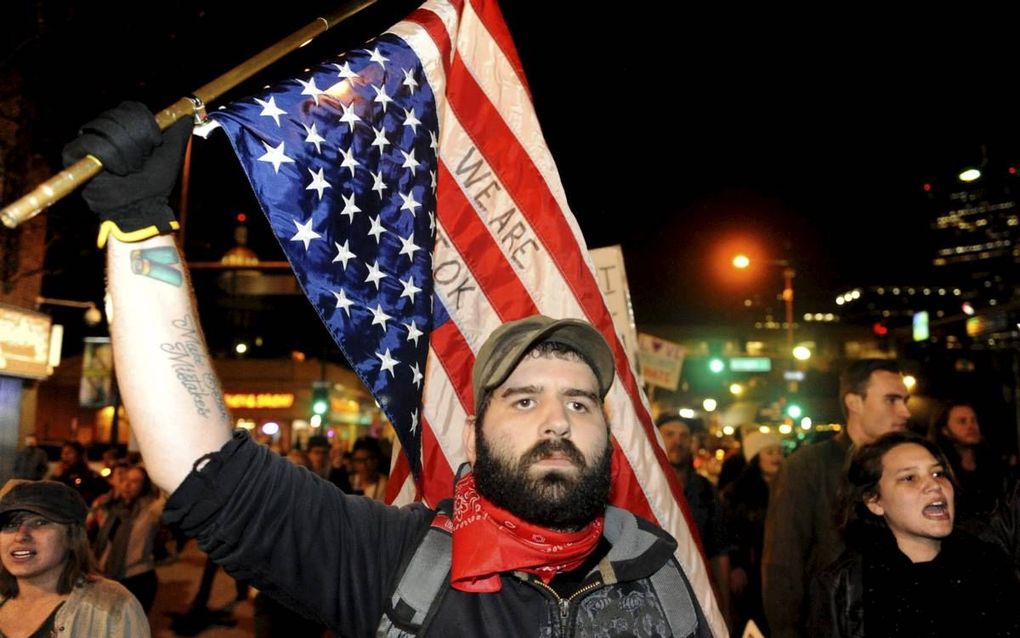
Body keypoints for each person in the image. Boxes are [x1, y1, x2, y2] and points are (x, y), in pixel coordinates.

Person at [63, 102, 712, 636]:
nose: (556, 421)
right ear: (471, 435)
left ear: (607, 431)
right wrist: (138, 230)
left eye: (579, 402)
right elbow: (203, 469)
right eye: (522, 400)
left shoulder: (659, 572)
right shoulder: (391, 561)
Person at [808, 431, 1020, 637]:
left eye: (938, 473)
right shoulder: (844, 586)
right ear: (875, 501)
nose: (934, 485)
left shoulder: (986, 561)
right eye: (909, 478)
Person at [762, 358, 910, 638]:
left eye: (905, 400)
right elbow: (783, 565)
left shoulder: (911, 464)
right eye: (892, 400)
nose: (905, 411)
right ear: (854, 402)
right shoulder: (806, 467)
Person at [0, 480, 149, 636]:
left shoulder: (112, 607)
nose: (21, 535)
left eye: (40, 522)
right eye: (10, 525)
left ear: (72, 536)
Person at [656, 414, 732, 624]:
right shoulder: (642, 490)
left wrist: (724, 606)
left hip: (698, 594)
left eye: (683, 436)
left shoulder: (706, 490)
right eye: (669, 434)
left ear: (691, 442)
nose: (677, 441)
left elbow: (719, 551)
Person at [721, 429, 782, 636]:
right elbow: (730, 529)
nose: (776, 457)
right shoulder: (738, 491)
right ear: (757, 457)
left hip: (780, 565)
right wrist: (737, 565)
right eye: (769, 452)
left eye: (778, 451)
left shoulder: (791, 487)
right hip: (751, 566)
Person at [928, 400, 1009, 536]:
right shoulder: (938, 467)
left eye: (974, 420)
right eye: (962, 421)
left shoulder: (992, 461)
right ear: (945, 430)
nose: (971, 426)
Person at [91, 465, 165, 611]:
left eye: (135, 481)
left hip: (137, 579)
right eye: (124, 479)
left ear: (144, 486)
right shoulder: (110, 509)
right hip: (106, 578)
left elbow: (169, 494)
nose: (127, 485)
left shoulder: (150, 510)